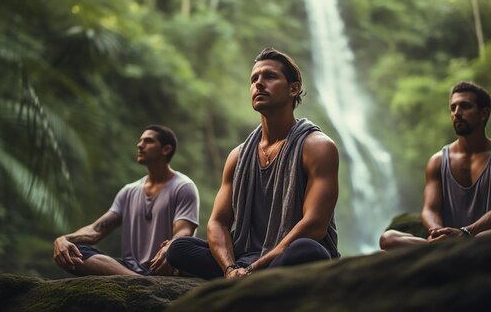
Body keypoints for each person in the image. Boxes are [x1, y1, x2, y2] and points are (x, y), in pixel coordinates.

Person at [167, 47, 340, 280]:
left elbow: (314, 226)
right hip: (244, 259)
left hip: (287, 256)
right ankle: (245, 281)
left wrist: (253, 269)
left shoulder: (317, 147)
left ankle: (253, 279)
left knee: (308, 250)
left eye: (269, 76)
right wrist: (230, 268)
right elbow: (217, 222)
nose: (259, 84)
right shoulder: (238, 156)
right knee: (179, 249)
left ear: (294, 88)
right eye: (254, 79)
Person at [379, 82, 491, 250]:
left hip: (484, 239)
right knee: (388, 237)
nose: (457, 113)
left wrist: (466, 233)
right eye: (453, 107)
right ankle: (442, 247)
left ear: (483, 114)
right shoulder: (437, 161)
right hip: (447, 242)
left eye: (465, 106)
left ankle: (441, 249)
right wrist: (438, 232)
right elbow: (429, 209)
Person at [53, 125, 200, 276]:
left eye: (148, 141)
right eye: (140, 140)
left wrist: (169, 247)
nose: (140, 145)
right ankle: (138, 280)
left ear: (166, 149)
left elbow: (184, 231)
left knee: (178, 253)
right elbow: (96, 230)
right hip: (129, 268)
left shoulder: (183, 187)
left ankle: (137, 280)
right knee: (73, 252)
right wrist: (65, 239)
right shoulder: (129, 191)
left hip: (165, 267)